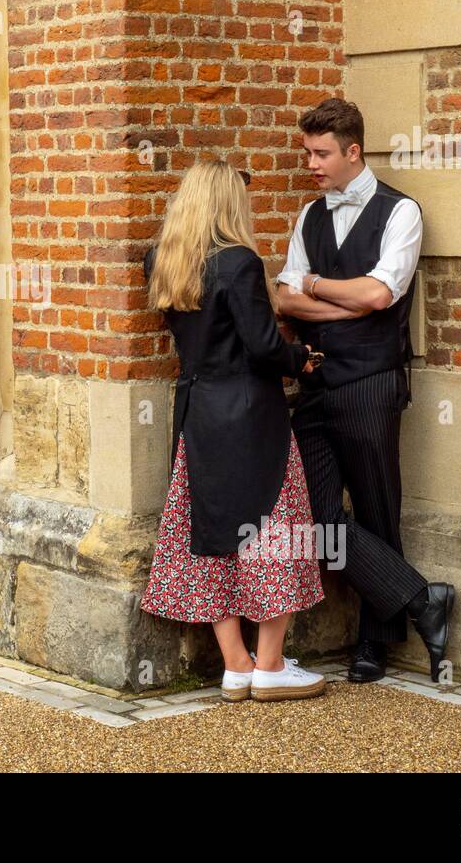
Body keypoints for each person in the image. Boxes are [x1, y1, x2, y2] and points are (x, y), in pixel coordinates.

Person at [276, 97, 455, 683]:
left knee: (378, 508)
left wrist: (318, 287)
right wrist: (342, 302)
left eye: (321, 153)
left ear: (354, 151)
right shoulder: (309, 215)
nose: (312, 163)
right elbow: (283, 298)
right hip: (314, 383)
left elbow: (381, 296)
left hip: (372, 384)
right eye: (308, 152)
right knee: (316, 517)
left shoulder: (400, 212)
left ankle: (374, 643)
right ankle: (422, 597)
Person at [140, 160, 327, 703]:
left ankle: (236, 665)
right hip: (249, 413)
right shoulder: (239, 262)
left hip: (198, 409)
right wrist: (302, 358)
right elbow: (264, 347)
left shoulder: (162, 259)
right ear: (226, 203)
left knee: (209, 535)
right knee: (275, 531)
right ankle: (269, 665)